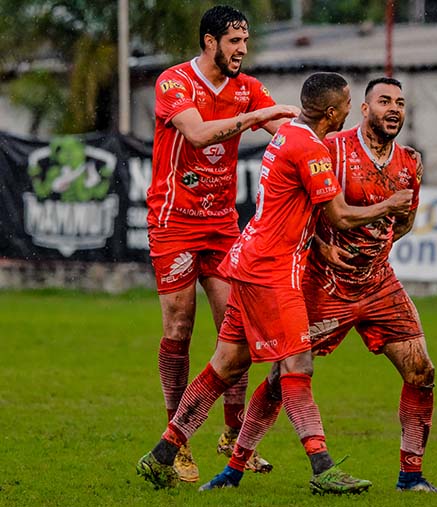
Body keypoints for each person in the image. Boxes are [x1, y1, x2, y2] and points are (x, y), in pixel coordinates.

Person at [137, 72, 414, 495]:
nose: (345, 111)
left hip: (249, 260)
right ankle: (322, 467)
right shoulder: (310, 147)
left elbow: (292, 206)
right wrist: (389, 204)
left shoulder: (288, 135)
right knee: (297, 366)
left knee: (226, 364)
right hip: (272, 271)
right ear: (332, 112)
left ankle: (162, 454)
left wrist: (318, 244)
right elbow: (339, 215)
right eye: (344, 104)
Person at [207, 77, 437, 494]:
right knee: (284, 376)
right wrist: (323, 244)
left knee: (421, 370)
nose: (394, 109)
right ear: (363, 110)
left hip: (377, 285)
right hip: (324, 286)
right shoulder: (331, 149)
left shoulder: (410, 162)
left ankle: (411, 478)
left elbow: (403, 221)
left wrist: (377, 243)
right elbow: (304, 210)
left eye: (401, 103)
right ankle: (234, 468)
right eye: (384, 101)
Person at [145, 4, 299, 482]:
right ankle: (179, 441)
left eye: (245, 41)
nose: (243, 50)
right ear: (210, 42)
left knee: (240, 333)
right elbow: (196, 134)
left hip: (220, 224)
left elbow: (288, 134)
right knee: (178, 329)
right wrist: (260, 114)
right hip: (173, 221)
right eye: (235, 41)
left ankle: (234, 437)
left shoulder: (248, 89)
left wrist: (330, 140)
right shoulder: (174, 82)